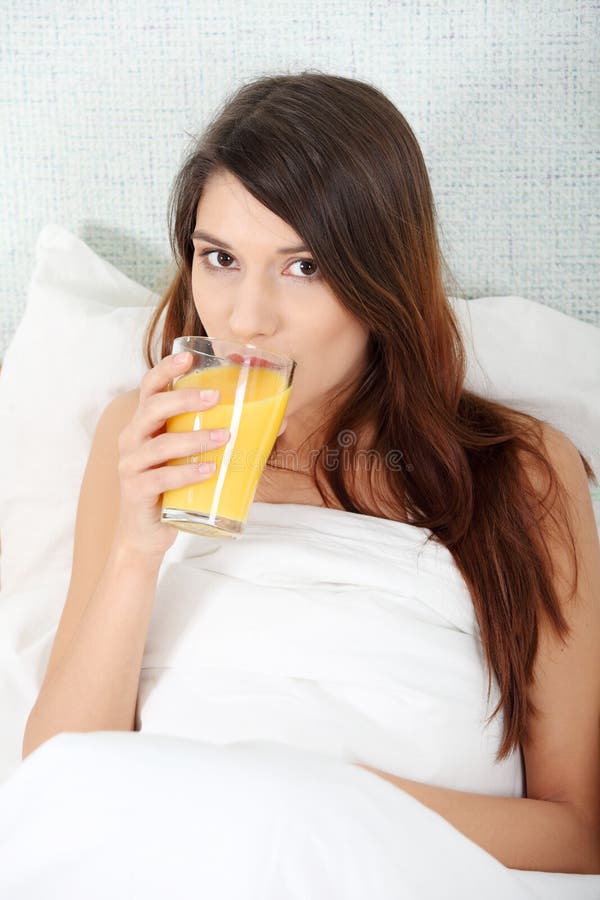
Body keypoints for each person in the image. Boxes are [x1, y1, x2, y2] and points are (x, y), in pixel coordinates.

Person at [21, 72, 600, 874]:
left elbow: (576, 837)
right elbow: (55, 783)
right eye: (219, 257)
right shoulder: (142, 436)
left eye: (304, 267)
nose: (246, 317)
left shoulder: (521, 476)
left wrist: (310, 807)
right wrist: (134, 551)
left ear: (380, 281)